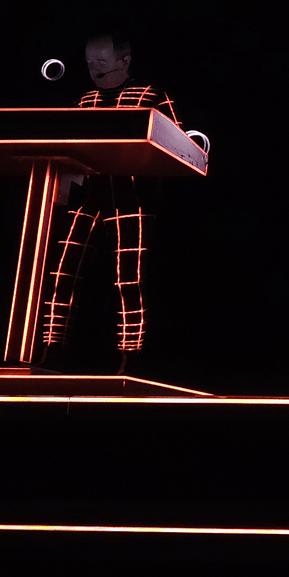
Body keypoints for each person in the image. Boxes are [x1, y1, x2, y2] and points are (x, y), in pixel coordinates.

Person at [40, 30, 182, 372]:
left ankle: (132, 355)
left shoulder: (150, 95)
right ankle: (52, 349)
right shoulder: (84, 100)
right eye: (89, 62)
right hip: (88, 194)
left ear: (124, 60)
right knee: (62, 272)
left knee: (129, 278)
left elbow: (178, 145)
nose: (94, 69)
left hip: (131, 196)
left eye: (101, 61)